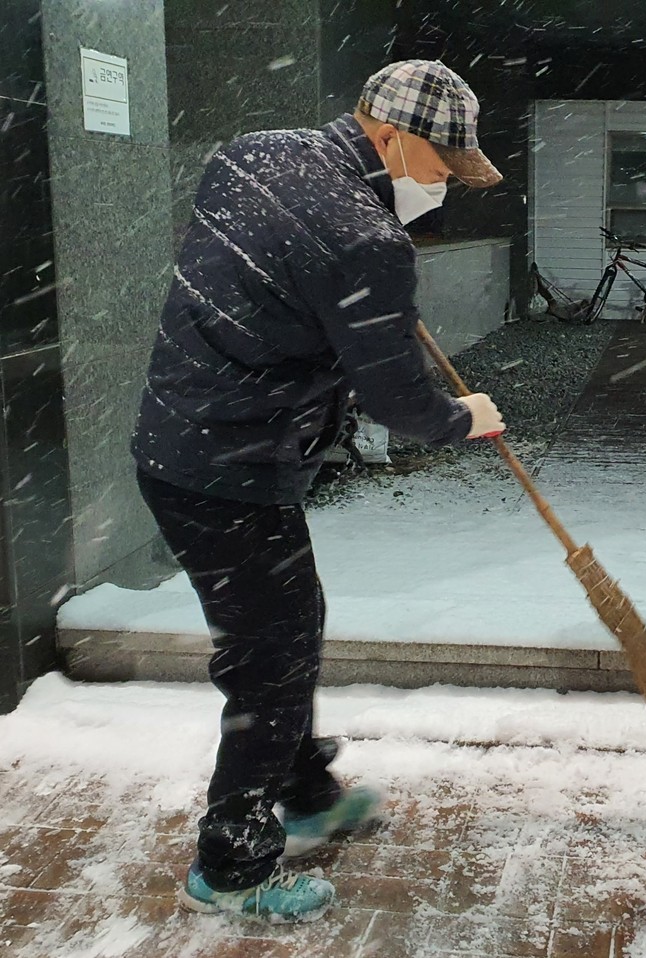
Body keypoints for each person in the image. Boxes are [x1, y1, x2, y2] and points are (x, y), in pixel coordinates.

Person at [132, 60, 506, 923]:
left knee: (282, 634)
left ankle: (299, 789)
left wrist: (349, 289)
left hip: (180, 441)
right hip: (230, 465)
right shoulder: (365, 240)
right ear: (393, 135)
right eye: (443, 166)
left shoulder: (256, 154)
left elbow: (279, 272)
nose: (444, 187)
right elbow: (395, 400)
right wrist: (464, 416)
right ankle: (233, 867)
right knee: (272, 657)